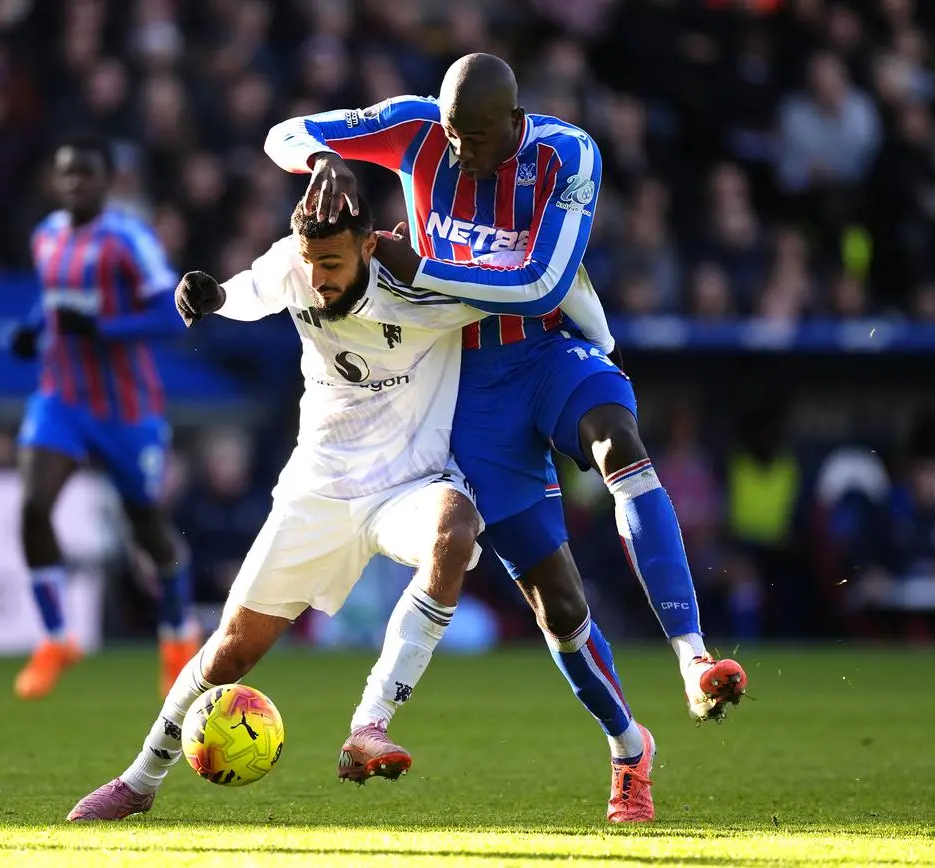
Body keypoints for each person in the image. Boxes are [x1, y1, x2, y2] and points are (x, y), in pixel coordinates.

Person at [264, 53, 748, 822]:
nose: (459, 150)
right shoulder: (418, 130)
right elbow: (284, 132)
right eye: (453, 132)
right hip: (469, 389)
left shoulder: (568, 154)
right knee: (556, 601)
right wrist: (324, 159)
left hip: (549, 351)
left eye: (478, 136)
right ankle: (630, 748)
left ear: (513, 122)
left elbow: (541, 286)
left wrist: (420, 265)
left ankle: (694, 661)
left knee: (616, 441)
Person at [66, 195, 618, 821]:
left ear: (368, 246)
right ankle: (140, 779)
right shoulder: (296, 267)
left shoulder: (429, 286)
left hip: (410, 485)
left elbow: (546, 281)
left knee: (454, 531)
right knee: (231, 653)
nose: (319, 278)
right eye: (311, 263)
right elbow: (254, 287)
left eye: (331, 262)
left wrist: (601, 343)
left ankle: (370, 724)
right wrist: (212, 295)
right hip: (319, 491)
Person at [9, 133, 197, 701]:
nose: (74, 184)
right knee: (33, 507)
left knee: (147, 529)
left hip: (126, 407)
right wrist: (31, 330)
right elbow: (52, 303)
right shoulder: (45, 236)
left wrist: (108, 330)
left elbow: (171, 313)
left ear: (107, 181)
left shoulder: (128, 240)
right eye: (66, 174)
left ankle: (176, 638)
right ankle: (57, 637)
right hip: (60, 398)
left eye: (85, 174)